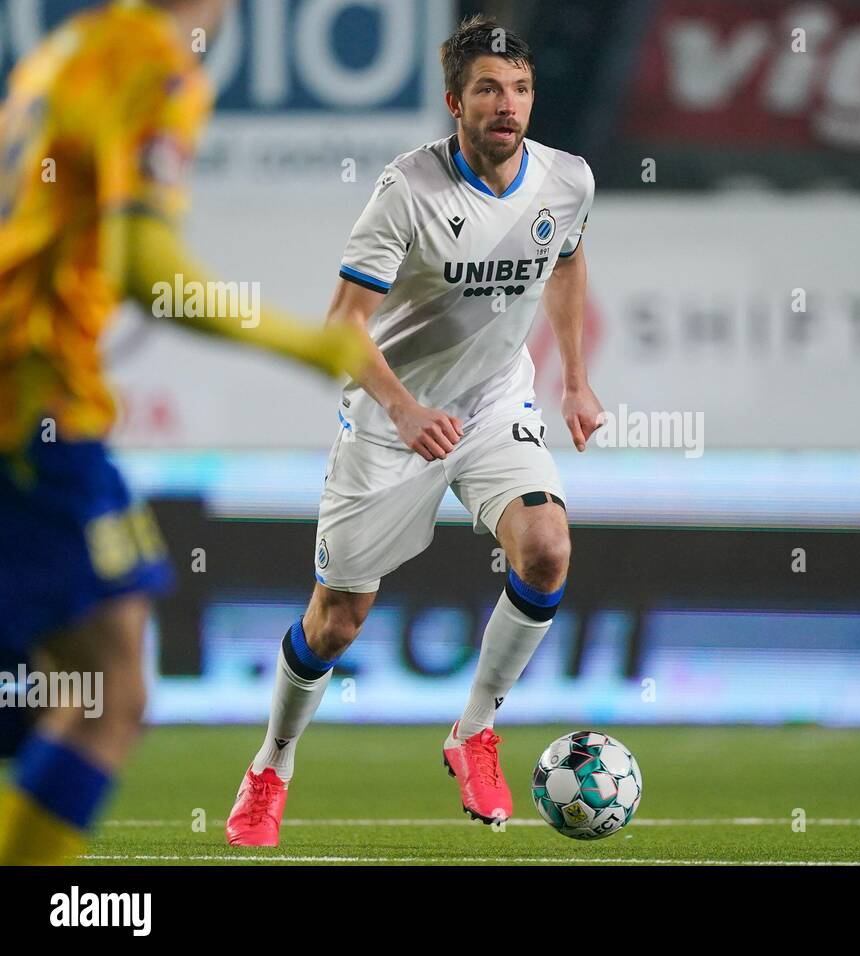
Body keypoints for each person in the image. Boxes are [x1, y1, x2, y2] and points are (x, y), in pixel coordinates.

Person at [0, 0, 364, 865]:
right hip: (29, 398)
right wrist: (312, 342)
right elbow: (147, 269)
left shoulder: (62, 53)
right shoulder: (158, 62)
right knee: (108, 692)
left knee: (55, 688)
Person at [226, 14, 603, 846]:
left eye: (521, 89)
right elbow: (341, 324)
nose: (509, 106)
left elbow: (567, 260)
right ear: (453, 103)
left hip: (496, 403)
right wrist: (402, 407)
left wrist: (574, 379)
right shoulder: (407, 189)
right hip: (393, 419)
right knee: (337, 621)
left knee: (545, 548)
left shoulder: (566, 181)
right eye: (488, 91)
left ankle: (474, 732)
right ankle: (271, 766)